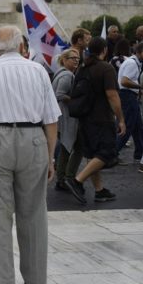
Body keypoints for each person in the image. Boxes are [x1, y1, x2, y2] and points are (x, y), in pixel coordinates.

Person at [0, 26, 60, 284]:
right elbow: (51, 120)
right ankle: (36, 279)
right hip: (33, 139)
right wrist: (50, 158)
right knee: (34, 214)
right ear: (21, 46)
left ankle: (0, 279)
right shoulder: (38, 70)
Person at [64, 37, 126, 205]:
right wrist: (121, 119)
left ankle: (99, 190)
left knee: (92, 155)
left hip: (85, 118)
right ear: (105, 50)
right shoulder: (105, 68)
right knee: (106, 153)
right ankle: (77, 181)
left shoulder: (83, 68)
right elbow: (112, 95)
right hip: (102, 118)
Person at [52, 49, 83, 190]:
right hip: (66, 116)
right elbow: (59, 94)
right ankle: (66, 178)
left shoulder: (62, 73)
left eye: (78, 58)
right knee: (71, 147)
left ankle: (64, 178)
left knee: (68, 147)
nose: (76, 60)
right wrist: (74, 101)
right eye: (73, 58)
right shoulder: (66, 75)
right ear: (64, 60)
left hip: (62, 116)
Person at [116, 42, 143, 163]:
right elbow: (125, 81)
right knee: (128, 126)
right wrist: (140, 87)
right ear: (138, 52)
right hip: (127, 96)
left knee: (138, 128)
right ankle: (111, 154)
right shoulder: (132, 63)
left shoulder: (133, 62)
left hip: (129, 96)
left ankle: (140, 154)